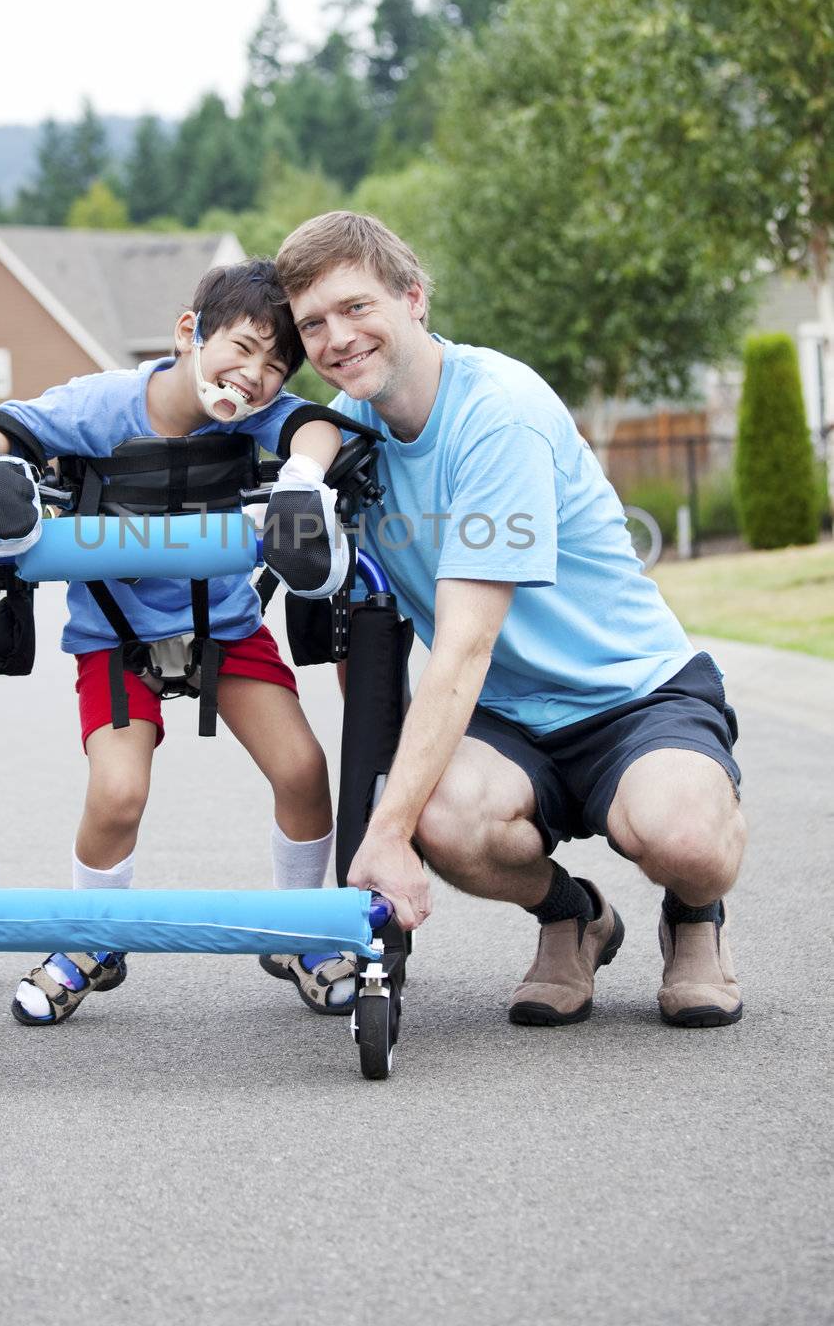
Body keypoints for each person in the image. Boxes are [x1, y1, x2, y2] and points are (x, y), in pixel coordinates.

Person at [275, 213, 746, 1029]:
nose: (336, 337)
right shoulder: (346, 437)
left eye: (355, 307)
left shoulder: (497, 413)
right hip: (506, 718)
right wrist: (399, 808)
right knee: (443, 817)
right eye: (313, 323)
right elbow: (365, 627)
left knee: (684, 837)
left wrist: (383, 836)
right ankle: (574, 915)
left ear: (413, 297)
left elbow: (464, 645)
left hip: (629, 696)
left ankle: (693, 916)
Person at [0, 260, 357, 1024]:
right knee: (117, 791)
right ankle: (90, 941)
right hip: (115, 637)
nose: (254, 375)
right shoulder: (101, 405)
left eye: (275, 364)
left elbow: (317, 423)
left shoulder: (253, 416)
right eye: (241, 348)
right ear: (188, 334)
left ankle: (300, 931)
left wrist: (301, 475)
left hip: (225, 630)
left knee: (302, 766)